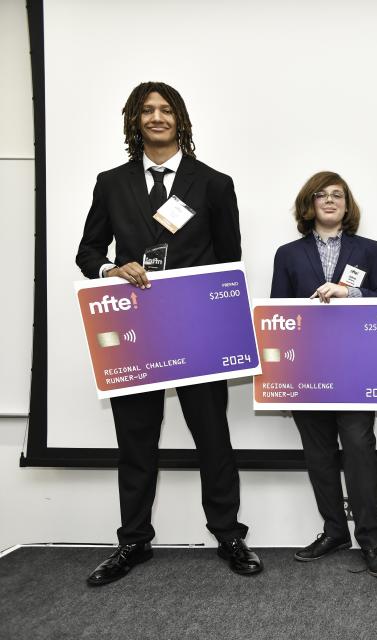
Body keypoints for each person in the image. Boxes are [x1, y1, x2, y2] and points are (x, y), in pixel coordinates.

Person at [76, 82, 260, 585]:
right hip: (135, 330)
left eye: (165, 109)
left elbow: (229, 261)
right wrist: (111, 269)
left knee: (213, 437)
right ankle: (132, 542)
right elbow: (87, 253)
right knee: (135, 441)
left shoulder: (214, 184)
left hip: (197, 330)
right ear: (135, 121)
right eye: (147, 110)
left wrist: (226, 330)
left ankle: (228, 535)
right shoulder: (110, 183)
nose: (156, 117)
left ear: (180, 119)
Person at [270, 171, 377, 578]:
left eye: (337, 195)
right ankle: (333, 530)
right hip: (306, 371)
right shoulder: (287, 254)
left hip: (356, 371)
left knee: (360, 451)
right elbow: (277, 315)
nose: (329, 201)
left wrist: (350, 292)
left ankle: (371, 540)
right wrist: (283, 383)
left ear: (347, 205)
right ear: (308, 205)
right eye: (320, 195)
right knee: (319, 456)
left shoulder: (370, 250)